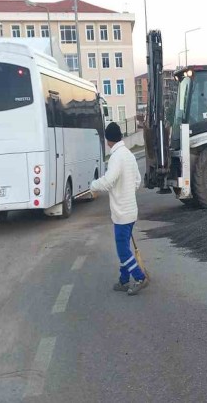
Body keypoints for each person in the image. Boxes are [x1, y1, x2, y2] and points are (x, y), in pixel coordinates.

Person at [90, 122, 148, 296]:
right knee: (124, 247)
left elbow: (108, 181)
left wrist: (93, 185)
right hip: (130, 210)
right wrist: (127, 190)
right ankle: (124, 280)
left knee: (122, 250)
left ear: (108, 140)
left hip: (121, 213)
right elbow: (137, 180)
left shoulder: (116, 157)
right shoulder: (128, 154)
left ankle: (139, 277)